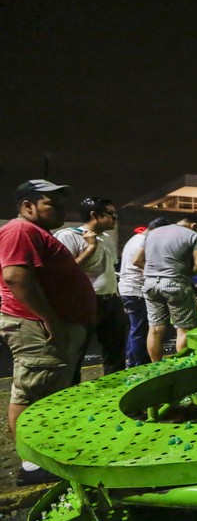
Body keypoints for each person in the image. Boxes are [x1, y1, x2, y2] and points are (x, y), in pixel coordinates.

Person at [0, 180, 95, 485]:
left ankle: (49, 452)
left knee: (49, 392)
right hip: (36, 326)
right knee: (32, 393)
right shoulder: (20, 230)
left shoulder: (37, 233)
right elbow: (15, 277)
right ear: (27, 206)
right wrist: (49, 318)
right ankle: (32, 465)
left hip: (53, 324)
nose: (62, 209)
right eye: (51, 203)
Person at [55, 196, 127, 379]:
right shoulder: (68, 236)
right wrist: (90, 247)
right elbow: (65, 271)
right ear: (94, 215)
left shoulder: (107, 238)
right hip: (85, 302)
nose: (115, 218)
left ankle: (116, 388)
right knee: (76, 352)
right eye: (110, 214)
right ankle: (72, 390)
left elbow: (109, 270)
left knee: (116, 350)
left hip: (111, 300)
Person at [135, 216, 197, 363]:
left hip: (150, 284)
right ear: (193, 226)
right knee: (184, 328)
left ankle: (156, 367)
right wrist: (183, 275)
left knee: (155, 329)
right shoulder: (193, 235)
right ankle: (183, 367)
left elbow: (137, 260)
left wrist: (155, 272)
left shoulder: (152, 234)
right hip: (175, 283)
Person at [118, 217, 170, 367]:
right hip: (136, 290)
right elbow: (138, 262)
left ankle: (131, 362)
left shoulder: (135, 239)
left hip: (127, 289)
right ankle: (140, 364)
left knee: (135, 328)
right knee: (141, 330)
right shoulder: (146, 241)